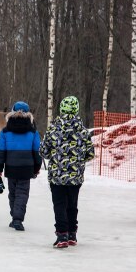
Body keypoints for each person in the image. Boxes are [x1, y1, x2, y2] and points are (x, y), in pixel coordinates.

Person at [40, 96, 94, 248]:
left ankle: (62, 234)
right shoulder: (83, 131)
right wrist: (77, 158)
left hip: (57, 176)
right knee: (72, 204)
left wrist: (54, 155)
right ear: (76, 109)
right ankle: (72, 234)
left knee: (59, 204)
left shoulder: (53, 128)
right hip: (75, 176)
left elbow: (43, 152)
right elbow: (90, 154)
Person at [0, 101, 42, 231]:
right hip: (27, 168)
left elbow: (0, 151)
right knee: (22, 193)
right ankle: (17, 219)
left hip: (11, 166)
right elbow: (37, 151)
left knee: (13, 193)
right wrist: (37, 168)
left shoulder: (5, 132)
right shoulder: (33, 132)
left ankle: (14, 217)